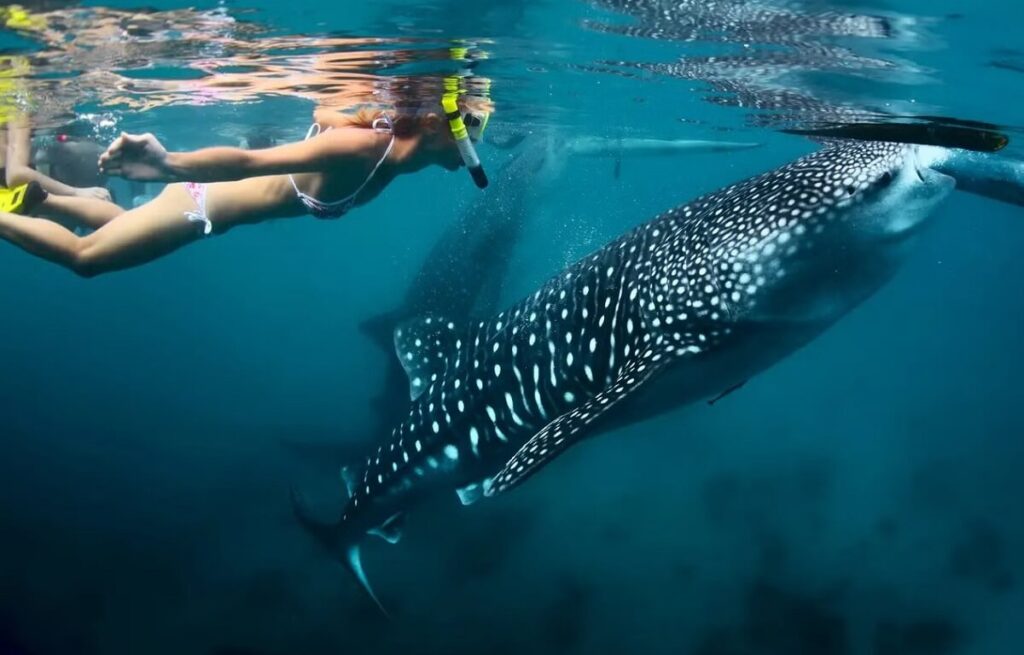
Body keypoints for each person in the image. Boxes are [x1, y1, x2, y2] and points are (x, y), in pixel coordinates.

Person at [0, 94, 491, 277]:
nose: (478, 144)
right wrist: (168, 162)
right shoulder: (362, 152)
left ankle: (44, 196)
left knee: (123, 225)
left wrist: (342, 110)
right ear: (432, 124)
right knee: (85, 260)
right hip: (199, 204)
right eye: (474, 129)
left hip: (206, 213)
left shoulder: (385, 151)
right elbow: (249, 162)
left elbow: (323, 111)